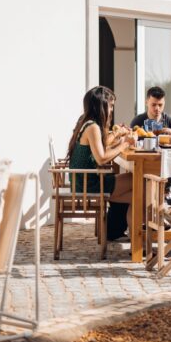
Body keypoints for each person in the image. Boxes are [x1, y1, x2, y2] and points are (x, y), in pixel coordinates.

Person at [66, 86, 135, 241]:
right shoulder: (92, 127)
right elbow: (102, 158)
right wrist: (124, 144)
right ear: (101, 106)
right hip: (88, 184)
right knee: (137, 182)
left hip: (84, 181)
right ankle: (138, 239)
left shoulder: (87, 123)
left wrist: (118, 139)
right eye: (110, 106)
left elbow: (101, 149)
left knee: (139, 195)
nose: (111, 110)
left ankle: (136, 240)